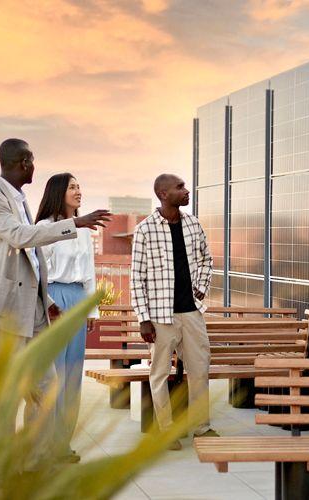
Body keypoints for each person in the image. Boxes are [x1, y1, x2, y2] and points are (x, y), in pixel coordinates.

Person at [0, 138, 111, 466]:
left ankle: (36, 458)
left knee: (48, 384)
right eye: (32, 161)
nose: (35, 167)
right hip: (8, 309)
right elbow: (21, 237)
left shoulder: (18, 199)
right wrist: (75, 223)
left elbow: (33, 261)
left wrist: (44, 298)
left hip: (35, 307)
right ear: (23, 162)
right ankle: (3, 460)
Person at [130, 174, 215, 449]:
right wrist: (143, 319)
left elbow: (206, 258)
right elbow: (136, 278)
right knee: (159, 374)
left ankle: (202, 428)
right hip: (160, 316)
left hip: (191, 313)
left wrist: (200, 286)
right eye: (180, 187)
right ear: (164, 194)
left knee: (200, 370)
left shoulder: (193, 224)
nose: (186, 190)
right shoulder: (145, 230)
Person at [35, 173, 99, 463]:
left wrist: (91, 308)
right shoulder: (44, 228)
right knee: (54, 376)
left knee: (73, 374)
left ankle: (63, 444)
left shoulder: (84, 231)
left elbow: (89, 273)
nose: (78, 190)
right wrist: (49, 303)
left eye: (79, 185)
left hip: (77, 300)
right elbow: (37, 273)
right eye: (72, 186)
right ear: (58, 192)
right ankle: (44, 446)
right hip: (53, 301)